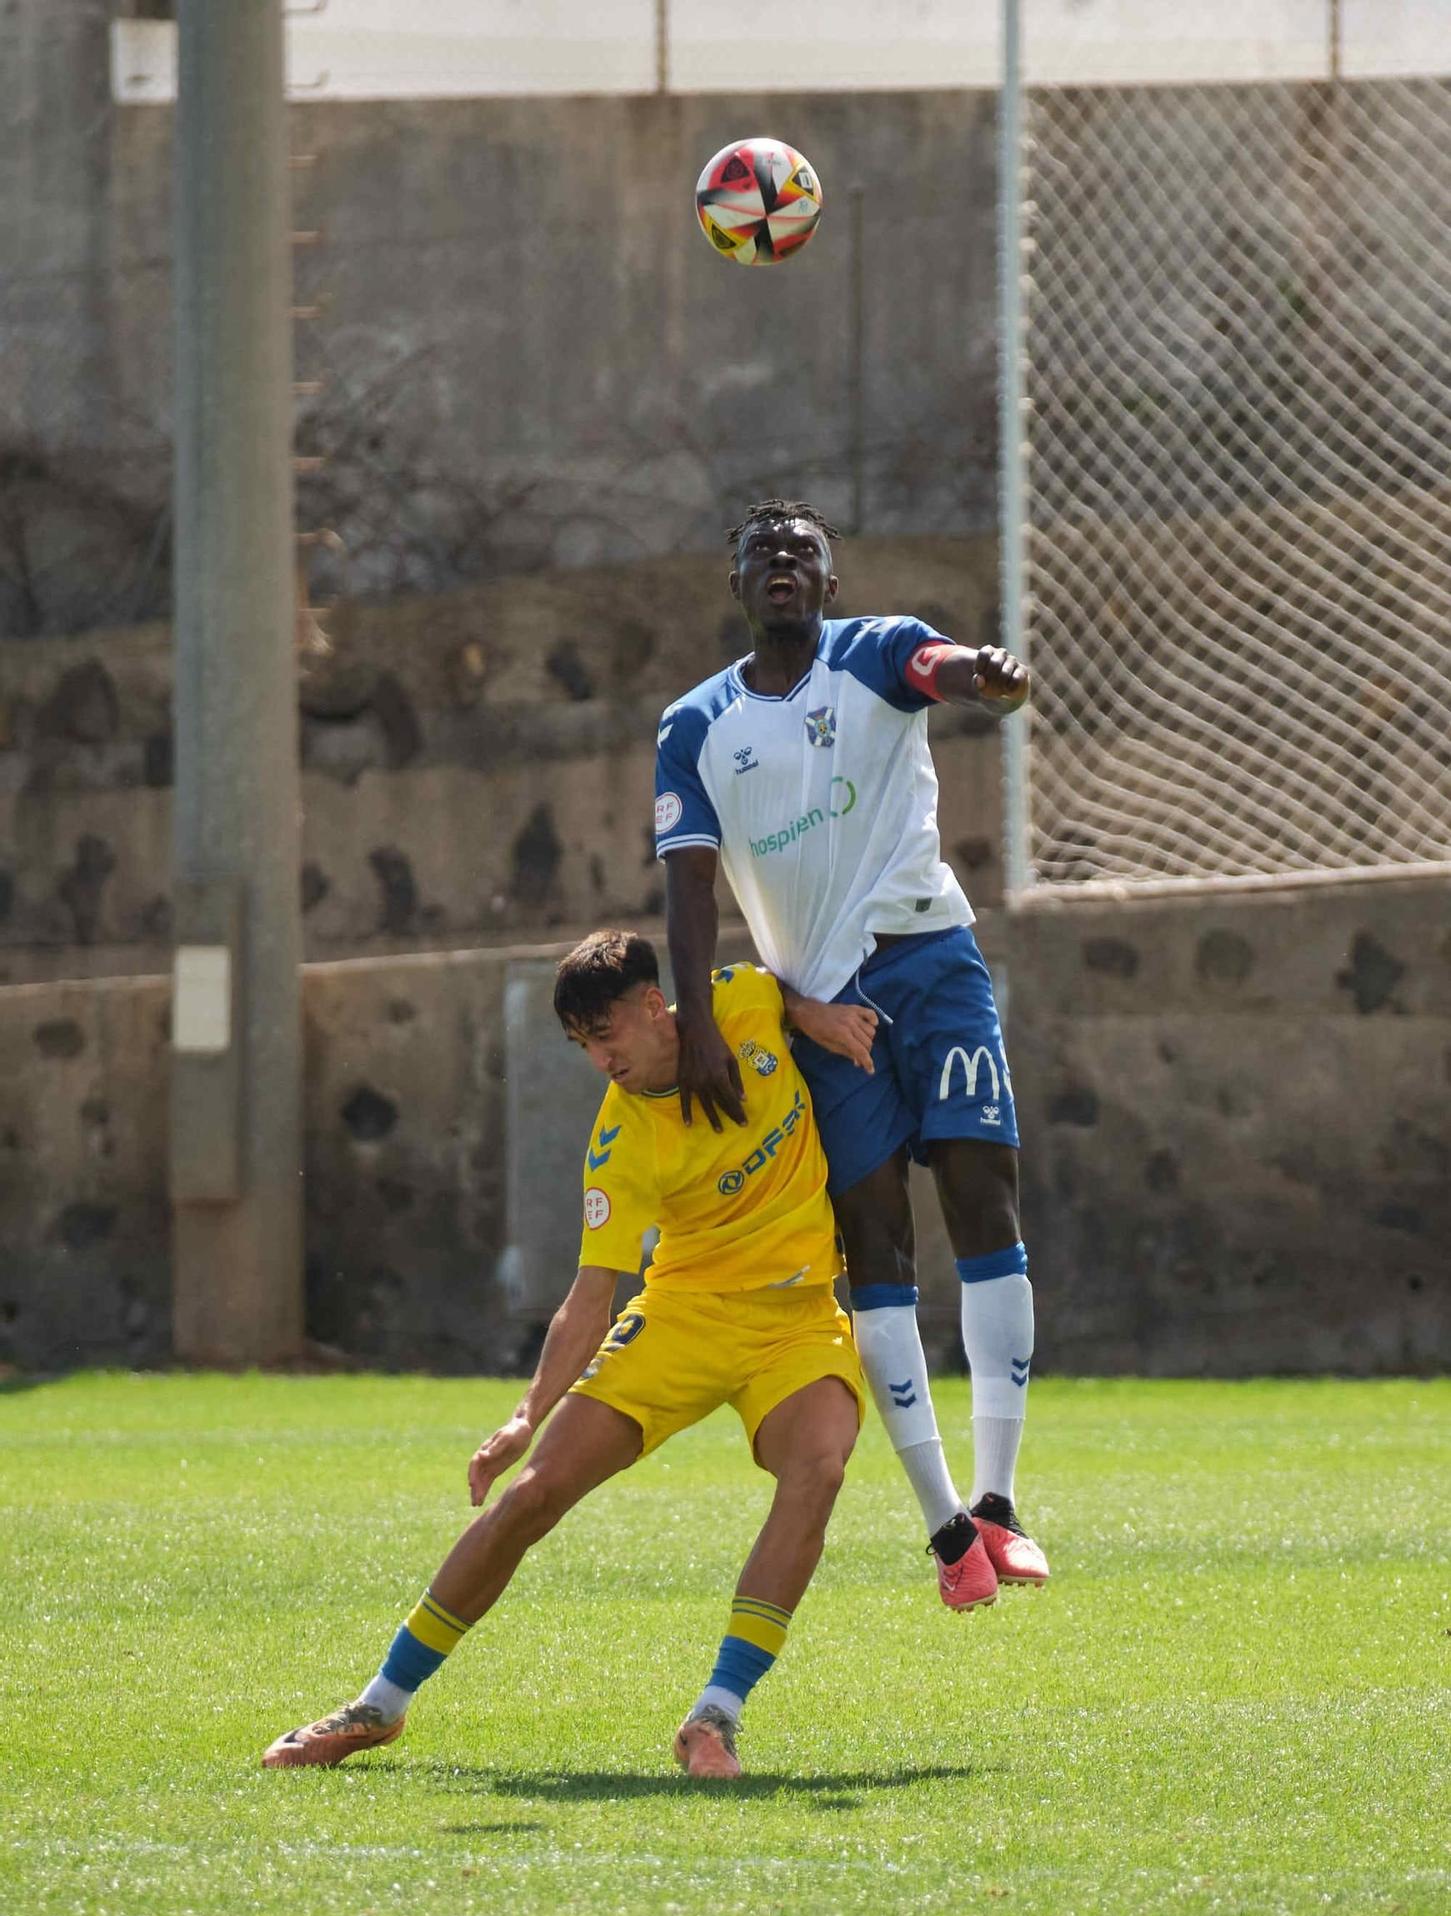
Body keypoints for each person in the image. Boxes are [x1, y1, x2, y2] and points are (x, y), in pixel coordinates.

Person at [262, 928, 865, 1781]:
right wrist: (523, 1417)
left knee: (819, 1470)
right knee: (532, 1494)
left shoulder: (737, 999)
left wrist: (819, 1016)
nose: (599, 1059)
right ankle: (378, 1705)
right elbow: (591, 1298)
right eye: (581, 1045)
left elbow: (772, 991)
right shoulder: (620, 1141)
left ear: (655, 1006)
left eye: (605, 1033)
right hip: (684, 1317)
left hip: (799, 1318)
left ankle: (714, 1716)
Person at [654, 498, 1049, 1615]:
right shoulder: (694, 726)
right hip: (821, 1008)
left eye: (802, 554)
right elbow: (686, 893)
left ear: (828, 583)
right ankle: (941, 1525)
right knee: (873, 1240)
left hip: (929, 958)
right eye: (761, 553)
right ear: (736, 582)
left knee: (985, 1201)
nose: (782, 564)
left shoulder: (873, 654)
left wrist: (989, 671)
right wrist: (700, 1025)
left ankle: (1000, 1504)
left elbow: (943, 664)